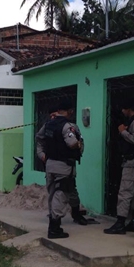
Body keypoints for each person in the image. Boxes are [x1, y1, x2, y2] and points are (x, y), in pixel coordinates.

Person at [36, 99, 92, 239]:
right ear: (70, 111)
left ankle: (74, 215)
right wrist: (79, 144)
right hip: (64, 166)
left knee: (58, 192)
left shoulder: (48, 125)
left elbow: (39, 138)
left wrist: (43, 155)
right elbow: (72, 143)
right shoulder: (68, 126)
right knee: (60, 195)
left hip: (50, 165)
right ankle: (54, 228)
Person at [104, 98, 134, 235]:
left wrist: (123, 132)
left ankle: (120, 223)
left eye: (123, 109)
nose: (122, 112)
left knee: (125, 191)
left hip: (132, 161)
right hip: (132, 161)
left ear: (129, 109)